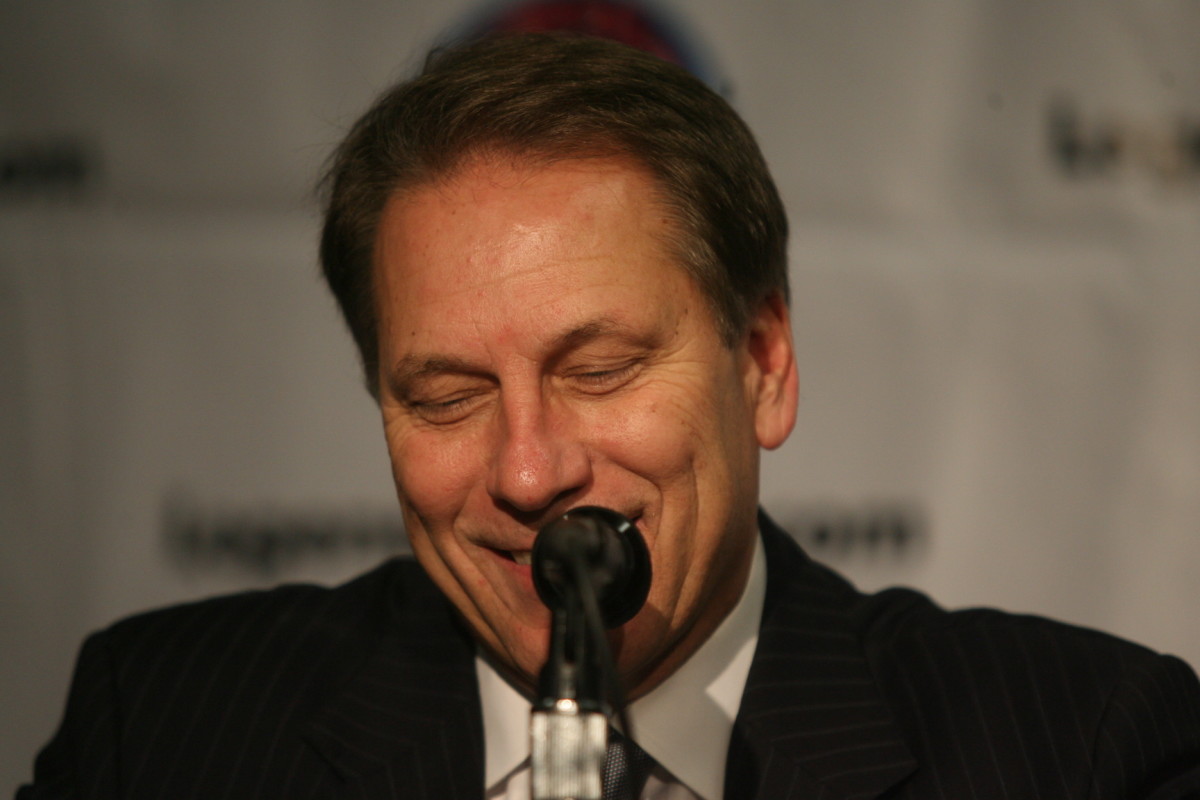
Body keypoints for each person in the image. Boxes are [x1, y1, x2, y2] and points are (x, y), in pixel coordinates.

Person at [18, 33, 1200, 800]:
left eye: (599, 368)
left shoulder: (1081, 748)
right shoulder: (165, 730)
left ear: (765, 362)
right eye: (446, 395)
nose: (529, 473)